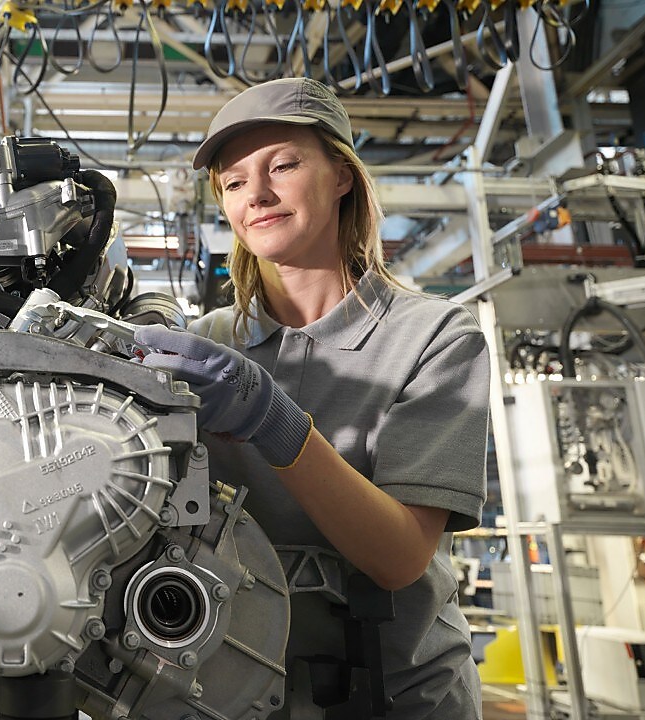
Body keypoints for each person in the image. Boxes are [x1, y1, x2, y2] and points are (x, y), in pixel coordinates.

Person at [133, 77, 490, 719]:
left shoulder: (434, 335)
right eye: (235, 183)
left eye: (284, 166)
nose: (258, 195)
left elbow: (400, 557)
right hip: (230, 693)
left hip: (394, 692)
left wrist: (273, 421)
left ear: (342, 176)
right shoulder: (205, 348)